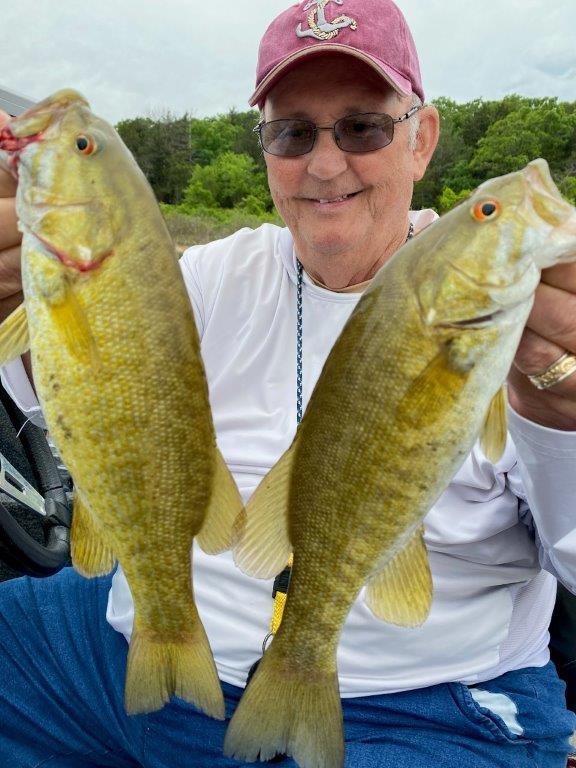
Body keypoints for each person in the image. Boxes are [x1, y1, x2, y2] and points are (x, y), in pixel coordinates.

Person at [1, 1, 576, 766]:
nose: (326, 164)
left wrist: (560, 408)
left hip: (417, 707)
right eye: (293, 132)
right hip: (118, 641)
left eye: (364, 128)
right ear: (265, 146)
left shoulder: (527, 313)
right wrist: (28, 299)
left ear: (422, 139)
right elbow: (94, 401)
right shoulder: (206, 273)